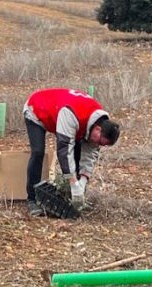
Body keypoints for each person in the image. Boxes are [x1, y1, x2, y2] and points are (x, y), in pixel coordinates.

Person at [22, 88, 121, 216]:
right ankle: (32, 199)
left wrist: (83, 181)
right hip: (37, 109)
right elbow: (64, 150)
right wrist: (74, 183)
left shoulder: (99, 121)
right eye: (100, 142)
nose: (98, 145)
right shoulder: (72, 115)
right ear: (97, 129)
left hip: (63, 114)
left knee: (77, 152)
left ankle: (71, 197)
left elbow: (90, 154)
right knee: (38, 152)